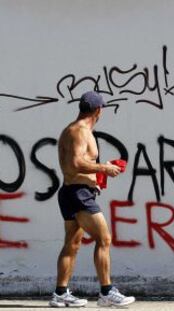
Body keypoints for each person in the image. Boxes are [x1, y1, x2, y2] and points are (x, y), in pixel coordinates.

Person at [49, 91, 135, 308]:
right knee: (104, 239)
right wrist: (104, 168)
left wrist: (95, 178)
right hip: (79, 195)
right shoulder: (80, 131)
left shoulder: (73, 129)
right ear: (98, 110)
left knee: (72, 243)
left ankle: (60, 294)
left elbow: (73, 165)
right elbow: (77, 162)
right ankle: (106, 292)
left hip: (71, 191)